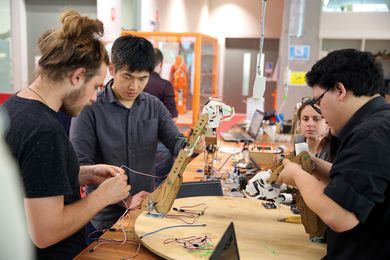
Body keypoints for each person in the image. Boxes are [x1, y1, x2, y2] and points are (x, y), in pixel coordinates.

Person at [2, 11, 130, 259]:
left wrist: (85, 174)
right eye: (95, 87)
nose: (94, 98)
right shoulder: (44, 131)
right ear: (78, 76)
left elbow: (30, 179)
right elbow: (45, 232)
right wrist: (103, 197)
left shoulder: (15, 107)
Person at [278, 49, 390, 259]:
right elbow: (357, 185)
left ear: (339, 90)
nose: (320, 112)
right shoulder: (380, 122)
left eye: (318, 102)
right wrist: (314, 165)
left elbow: (339, 215)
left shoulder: (370, 133)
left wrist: (296, 175)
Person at [70, 35, 186, 233]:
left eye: (142, 79)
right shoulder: (90, 108)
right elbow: (81, 167)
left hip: (145, 209)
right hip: (104, 217)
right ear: (112, 69)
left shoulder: (153, 106)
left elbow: (176, 142)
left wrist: (192, 145)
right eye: (127, 77)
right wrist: (124, 199)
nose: (134, 87)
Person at [144, 48, 178, 184]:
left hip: (135, 145)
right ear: (160, 65)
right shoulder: (165, 85)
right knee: (161, 186)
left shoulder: (134, 86)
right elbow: (173, 117)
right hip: (160, 144)